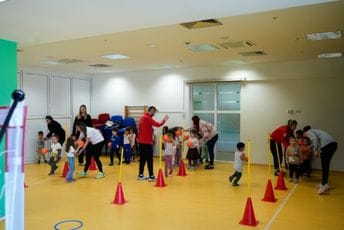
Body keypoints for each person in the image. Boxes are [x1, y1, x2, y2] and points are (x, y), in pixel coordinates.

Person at [303, 126, 337, 194]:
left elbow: (314, 139)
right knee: (326, 165)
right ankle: (325, 184)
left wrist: (315, 151)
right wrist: (318, 151)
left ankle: (323, 186)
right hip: (333, 145)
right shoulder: (316, 131)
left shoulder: (308, 132)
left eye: (304, 134)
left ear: (304, 132)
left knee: (324, 165)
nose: (305, 136)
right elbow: (317, 142)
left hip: (327, 146)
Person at [137, 106, 168, 182]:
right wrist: (164, 120)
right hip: (146, 142)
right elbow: (158, 124)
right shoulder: (147, 118)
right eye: (154, 112)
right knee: (149, 160)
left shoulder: (142, 117)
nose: (154, 113)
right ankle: (151, 176)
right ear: (151, 111)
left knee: (143, 159)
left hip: (141, 142)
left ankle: (140, 175)